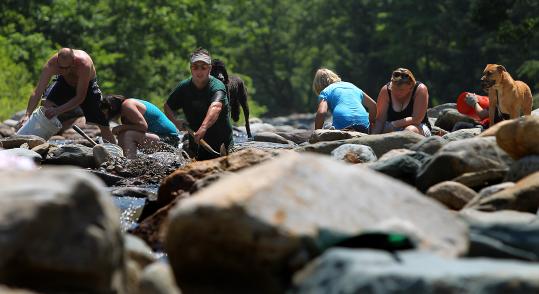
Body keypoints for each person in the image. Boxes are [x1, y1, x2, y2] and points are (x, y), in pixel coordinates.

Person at [16, 48, 115, 143]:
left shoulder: (84, 65)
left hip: (87, 85)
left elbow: (80, 97)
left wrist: (58, 110)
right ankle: (34, 141)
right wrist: (27, 115)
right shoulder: (52, 64)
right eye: (60, 68)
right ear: (58, 61)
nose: (63, 71)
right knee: (46, 106)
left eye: (66, 68)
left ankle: (115, 153)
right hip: (64, 82)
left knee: (101, 120)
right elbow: (37, 91)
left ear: (73, 62)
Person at [164, 47, 233, 160]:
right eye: (195, 67)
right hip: (196, 144)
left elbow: (215, 107)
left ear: (209, 68)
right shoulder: (184, 87)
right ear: (191, 69)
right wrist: (175, 121)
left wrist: (204, 127)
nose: (199, 71)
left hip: (221, 145)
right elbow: (168, 106)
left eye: (203, 67)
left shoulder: (217, 86)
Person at [100, 95, 179, 158]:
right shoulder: (124, 111)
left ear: (112, 108)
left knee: (128, 135)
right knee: (123, 134)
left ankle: (130, 163)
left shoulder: (127, 105)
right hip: (159, 139)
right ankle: (123, 160)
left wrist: (121, 127)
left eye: (107, 114)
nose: (107, 117)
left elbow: (143, 127)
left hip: (170, 140)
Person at [312, 68, 376, 133]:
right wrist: (372, 124)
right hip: (364, 124)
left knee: (327, 126)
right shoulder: (352, 86)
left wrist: (317, 133)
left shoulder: (326, 91)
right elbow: (373, 105)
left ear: (318, 85)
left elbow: (321, 112)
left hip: (344, 125)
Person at [371, 68, 431, 136]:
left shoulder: (420, 89)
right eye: (394, 89)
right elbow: (380, 120)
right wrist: (373, 136)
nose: (397, 92)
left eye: (401, 90)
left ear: (411, 86)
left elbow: (417, 119)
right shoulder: (386, 90)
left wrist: (394, 124)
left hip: (418, 126)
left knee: (409, 131)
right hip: (390, 127)